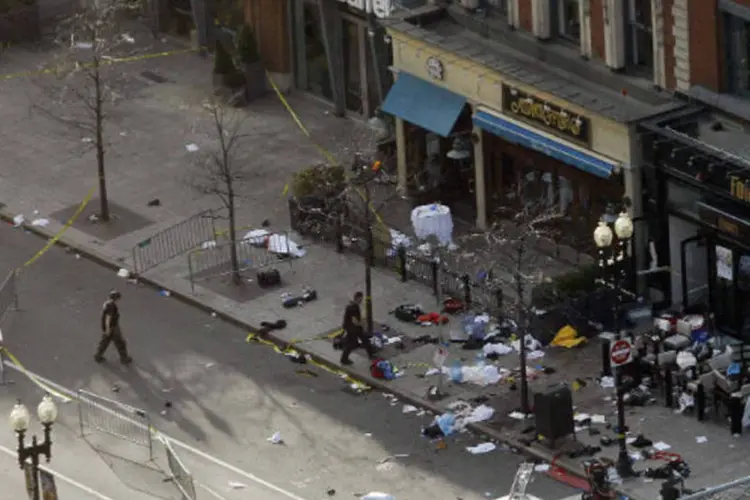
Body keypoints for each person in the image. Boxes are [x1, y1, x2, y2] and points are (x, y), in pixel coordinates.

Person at [95, 290, 132, 364]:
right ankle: (124, 359)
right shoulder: (111, 306)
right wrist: (108, 329)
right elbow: (108, 318)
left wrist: (106, 329)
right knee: (120, 343)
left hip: (108, 327)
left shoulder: (107, 303)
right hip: (113, 328)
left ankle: (98, 356)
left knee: (104, 342)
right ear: (116, 299)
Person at [340, 291, 375, 365]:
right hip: (352, 329)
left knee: (365, 340)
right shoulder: (352, 307)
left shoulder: (354, 305)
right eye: (360, 299)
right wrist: (362, 324)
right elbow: (354, 320)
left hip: (356, 328)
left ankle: (371, 354)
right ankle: (344, 359)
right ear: (357, 298)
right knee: (351, 344)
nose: (361, 300)